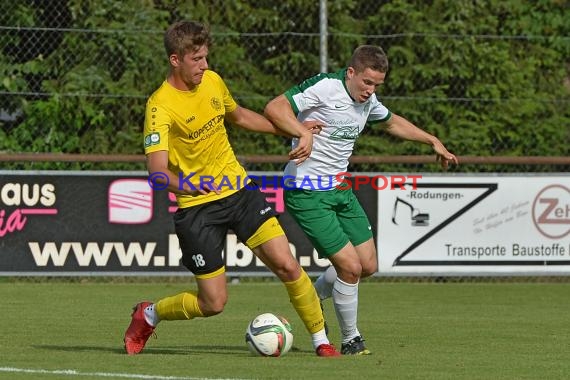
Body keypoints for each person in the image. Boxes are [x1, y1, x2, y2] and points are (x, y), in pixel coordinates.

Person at [123, 20, 341, 357]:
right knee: (213, 303)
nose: (205, 66)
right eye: (197, 59)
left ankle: (321, 342)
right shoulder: (160, 106)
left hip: (240, 192)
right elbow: (156, 173)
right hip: (198, 209)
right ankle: (149, 314)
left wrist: (293, 128)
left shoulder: (212, 82)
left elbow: (239, 116)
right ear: (175, 60)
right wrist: (190, 185)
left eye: (206, 57)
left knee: (287, 264)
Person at [264, 45, 459, 355]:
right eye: (367, 83)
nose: (370, 91)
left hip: (340, 189)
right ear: (351, 73)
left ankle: (312, 300)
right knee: (350, 268)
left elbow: (393, 122)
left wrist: (432, 140)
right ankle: (351, 339)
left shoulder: (367, 102)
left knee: (367, 265)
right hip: (306, 191)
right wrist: (302, 131)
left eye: (377, 85)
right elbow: (275, 108)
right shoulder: (325, 87)